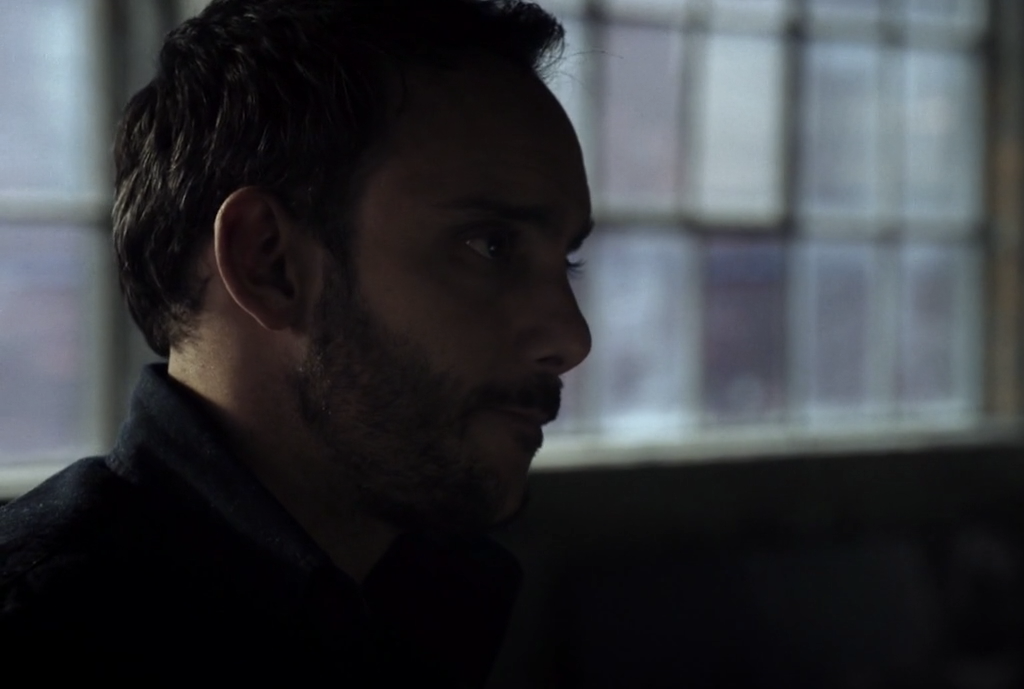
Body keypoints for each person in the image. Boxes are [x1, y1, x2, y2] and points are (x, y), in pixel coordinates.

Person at [0, 0, 592, 684]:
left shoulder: (430, 597)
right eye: (491, 246)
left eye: (568, 261)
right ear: (268, 262)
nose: (572, 339)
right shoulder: (43, 636)